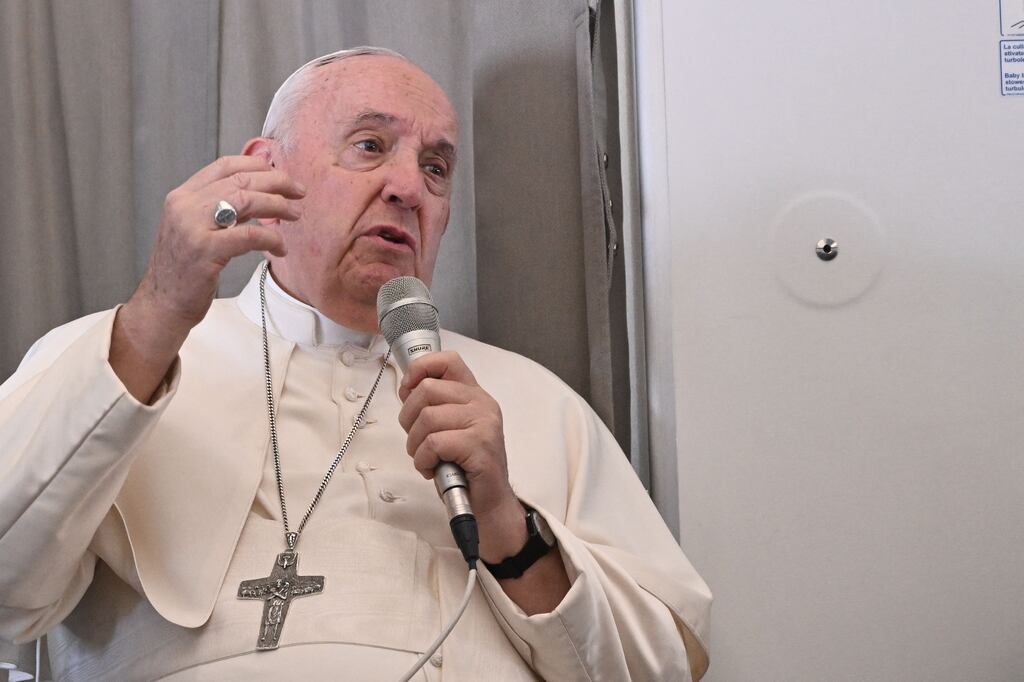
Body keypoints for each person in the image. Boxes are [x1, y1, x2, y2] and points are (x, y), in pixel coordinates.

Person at [0, 47, 711, 681]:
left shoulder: (532, 399)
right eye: (370, 146)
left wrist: (505, 523)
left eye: (435, 168)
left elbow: (663, 668)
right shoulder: (113, 350)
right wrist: (156, 312)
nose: (409, 188)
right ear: (265, 171)